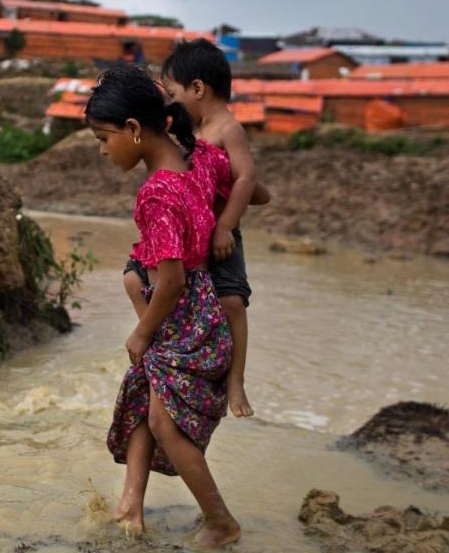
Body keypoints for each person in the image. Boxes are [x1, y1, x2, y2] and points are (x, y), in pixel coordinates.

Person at [87, 66, 241, 548]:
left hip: (184, 321)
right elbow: (250, 185)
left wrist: (141, 333)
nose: (102, 149)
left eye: (103, 138)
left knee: (162, 420)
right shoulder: (198, 159)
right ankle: (130, 505)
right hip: (204, 309)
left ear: (133, 129)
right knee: (143, 398)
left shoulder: (157, 192)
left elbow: (170, 281)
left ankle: (221, 522)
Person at [125, 38, 270, 419]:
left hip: (221, 235)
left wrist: (225, 226)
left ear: (197, 88)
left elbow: (245, 181)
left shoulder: (227, 128)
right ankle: (163, 353)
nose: (172, 102)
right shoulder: (193, 133)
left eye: (173, 93)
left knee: (232, 302)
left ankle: (235, 380)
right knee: (140, 280)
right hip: (191, 236)